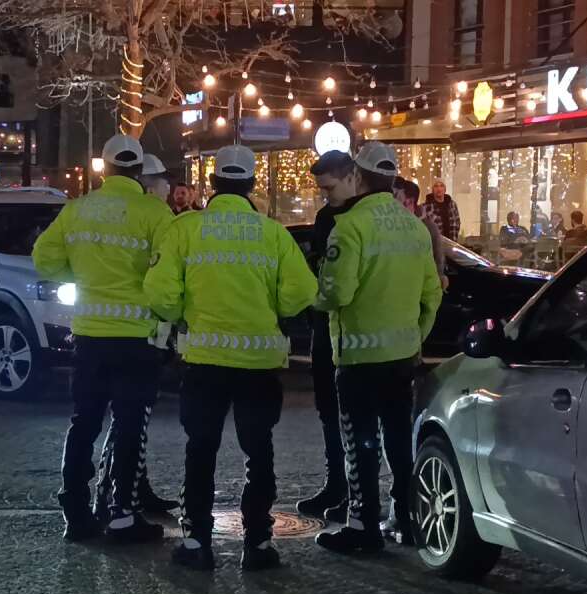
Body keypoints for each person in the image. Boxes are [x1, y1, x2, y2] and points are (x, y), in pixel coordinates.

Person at [145, 145, 317, 571]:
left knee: (200, 449)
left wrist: (186, 311)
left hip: (204, 361)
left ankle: (196, 542)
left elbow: (162, 295)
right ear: (251, 184)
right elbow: (299, 293)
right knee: (259, 452)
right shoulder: (273, 233)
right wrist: (270, 308)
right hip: (258, 365)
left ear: (214, 183)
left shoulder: (187, 230)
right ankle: (257, 543)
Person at [33, 134, 175, 543]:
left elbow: (45, 260)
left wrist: (83, 277)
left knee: (85, 421)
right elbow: (167, 276)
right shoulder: (155, 214)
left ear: (105, 168)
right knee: (131, 426)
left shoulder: (77, 211)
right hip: (138, 338)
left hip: (90, 336)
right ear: (138, 170)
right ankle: (122, 514)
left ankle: (75, 511)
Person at [314, 142, 443, 553]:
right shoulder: (415, 228)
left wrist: (313, 295)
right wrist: (416, 335)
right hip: (403, 357)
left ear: (359, 176)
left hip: (357, 358)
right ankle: (406, 519)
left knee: (360, 443)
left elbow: (337, 294)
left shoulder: (350, 227)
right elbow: (432, 293)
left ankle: (363, 527)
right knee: (399, 440)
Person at [296, 150, 358, 524]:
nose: (325, 196)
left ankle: (354, 491)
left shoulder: (358, 218)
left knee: (352, 415)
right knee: (329, 411)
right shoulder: (325, 217)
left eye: (329, 187)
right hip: (326, 327)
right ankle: (337, 483)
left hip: (351, 329)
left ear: (351, 177)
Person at [394, 177, 446, 287]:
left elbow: (438, 259)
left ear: (409, 202)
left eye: (398, 200)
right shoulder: (396, 224)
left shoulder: (427, 227)